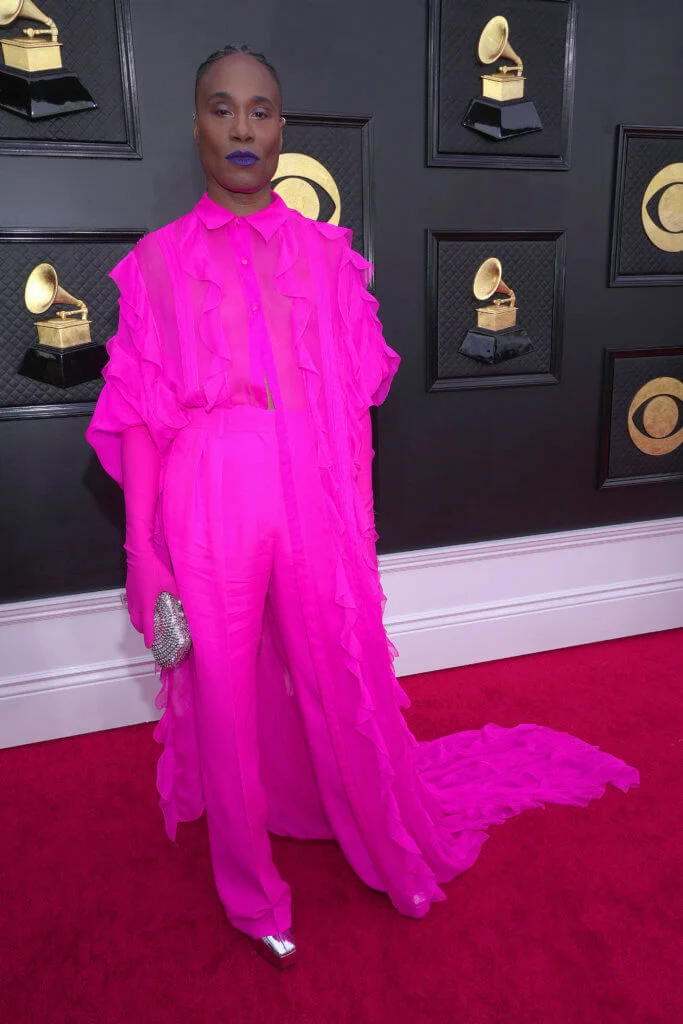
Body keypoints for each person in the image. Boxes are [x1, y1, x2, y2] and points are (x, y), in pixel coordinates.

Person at [86, 45, 639, 969]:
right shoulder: (152, 268)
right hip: (207, 494)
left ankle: (375, 833)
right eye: (221, 110)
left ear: (281, 128)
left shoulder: (327, 257)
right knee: (221, 696)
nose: (241, 130)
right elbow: (138, 419)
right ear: (194, 126)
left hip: (309, 494)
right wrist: (144, 555)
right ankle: (249, 889)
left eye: (260, 111)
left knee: (334, 670)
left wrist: (347, 514)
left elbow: (352, 404)